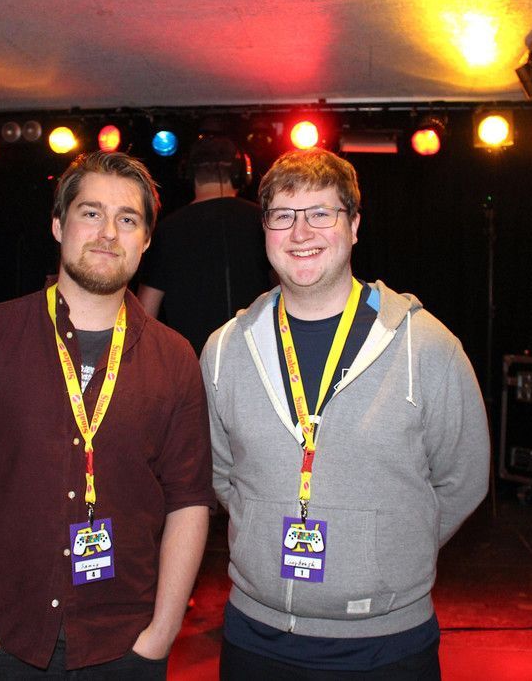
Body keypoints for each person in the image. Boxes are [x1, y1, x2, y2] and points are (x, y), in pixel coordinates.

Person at [0, 151, 214, 679]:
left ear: (146, 241)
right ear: (58, 224)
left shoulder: (176, 358)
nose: (108, 233)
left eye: (128, 219)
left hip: (125, 647)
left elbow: (189, 502)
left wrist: (161, 634)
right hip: (2, 642)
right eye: (91, 213)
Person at [201, 148, 489, 679]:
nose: (300, 232)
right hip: (253, 635)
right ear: (265, 230)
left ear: (354, 226)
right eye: (283, 216)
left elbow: (463, 478)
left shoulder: (427, 347)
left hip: (386, 643)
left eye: (321, 213)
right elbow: (221, 474)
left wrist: (386, 553)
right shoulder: (224, 349)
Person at [137, 136, 272, 354]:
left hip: (188, 362)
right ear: (240, 173)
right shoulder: (265, 222)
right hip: (259, 357)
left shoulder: (167, 229)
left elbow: (144, 314)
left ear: (187, 173)